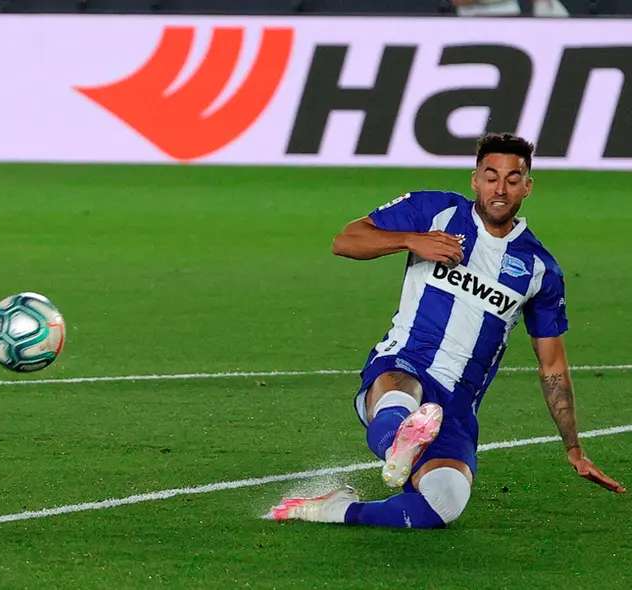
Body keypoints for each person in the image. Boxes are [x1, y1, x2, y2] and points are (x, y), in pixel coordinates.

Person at [264, 132, 625, 528]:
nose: (500, 189)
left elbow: (553, 366)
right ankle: (400, 441)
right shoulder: (435, 212)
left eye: (512, 178)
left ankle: (332, 508)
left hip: (458, 403)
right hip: (405, 363)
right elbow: (344, 240)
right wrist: (411, 241)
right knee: (399, 400)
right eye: (491, 177)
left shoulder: (540, 269)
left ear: (528, 186)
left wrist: (573, 447)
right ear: (475, 180)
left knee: (443, 504)